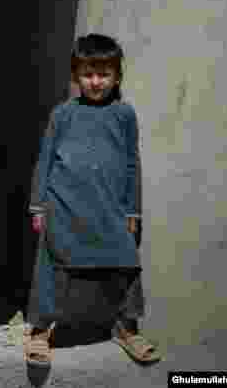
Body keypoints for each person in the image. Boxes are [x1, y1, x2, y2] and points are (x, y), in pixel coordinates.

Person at [24, 34, 162, 367]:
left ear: (117, 76)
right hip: (64, 206)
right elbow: (45, 160)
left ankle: (127, 328)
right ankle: (40, 333)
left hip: (110, 208)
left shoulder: (124, 115)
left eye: (104, 74)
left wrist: (133, 210)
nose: (96, 82)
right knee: (51, 269)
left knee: (126, 265)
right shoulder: (63, 114)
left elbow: (132, 163)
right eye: (88, 74)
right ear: (76, 75)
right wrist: (38, 204)